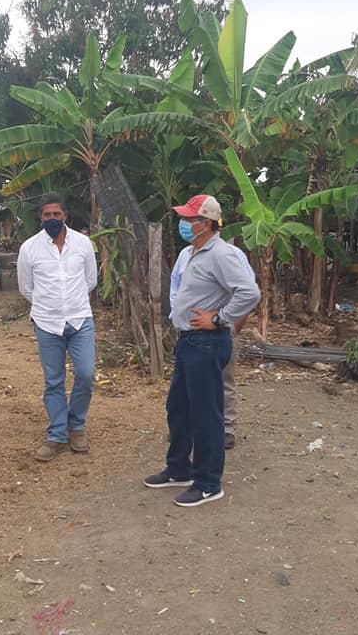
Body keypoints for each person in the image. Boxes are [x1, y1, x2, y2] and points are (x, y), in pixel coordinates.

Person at [145, 194, 261, 507]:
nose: (183, 223)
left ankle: (208, 483)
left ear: (207, 223)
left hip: (207, 342)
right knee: (178, 407)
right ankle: (178, 469)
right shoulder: (193, 252)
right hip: (189, 340)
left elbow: (249, 292)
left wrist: (220, 318)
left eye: (189, 219)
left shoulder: (221, 254)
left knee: (206, 414)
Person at [17, 193, 98, 462]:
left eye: (56, 214)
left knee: (85, 374)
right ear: (40, 217)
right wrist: (48, 305)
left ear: (65, 215)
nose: (52, 218)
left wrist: (72, 303)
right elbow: (26, 288)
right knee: (54, 381)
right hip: (47, 322)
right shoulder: (29, 248)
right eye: (47, 215)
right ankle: (57, 434)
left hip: (80, 319)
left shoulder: (83, 244)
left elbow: (91, 280)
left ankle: (77, 425)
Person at [170, 239, 255, 449]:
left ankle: (226, 429)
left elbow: (247, 294)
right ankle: (188, 432)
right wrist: (178, 317)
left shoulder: (229, 254)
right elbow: (176, 289)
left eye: (192, 222)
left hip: (216, 333)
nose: (187, 226)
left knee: (224, 381)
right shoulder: (185, 254)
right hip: (188, 334)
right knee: (186, 387)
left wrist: (225, 323)